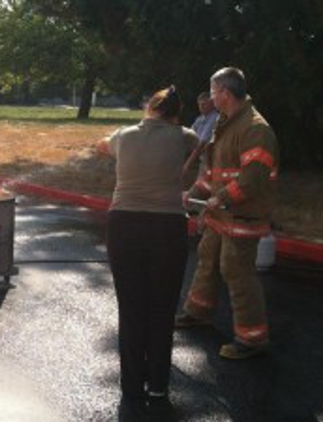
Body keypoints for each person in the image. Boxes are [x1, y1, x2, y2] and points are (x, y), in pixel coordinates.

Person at [98, 86, 198, 421]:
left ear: (149, 107)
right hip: (167, 229)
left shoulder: (123, 135)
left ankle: (131, 389)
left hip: (123, 224)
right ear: (175, 112)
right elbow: (198, 146)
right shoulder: (183, 136)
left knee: (131, 307)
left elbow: (102, 146)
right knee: (161, 308)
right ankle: (158, 388)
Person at [175, 67, 279, 360]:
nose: (209, 97)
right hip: (221, 215)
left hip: (243, 216)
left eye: (212, 91)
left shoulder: (255, 129)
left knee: (237, 272)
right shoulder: (225, 123)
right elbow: (213, 171)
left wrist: (218, 198)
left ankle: (252, 339)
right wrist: (194, 194)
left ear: (225, 93)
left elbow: (253, 178)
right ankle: (198, 313)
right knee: (207, 262)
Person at [182, 92, 218, 179]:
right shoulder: (200, 119)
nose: (201, 107)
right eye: (199, 104)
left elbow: (201, 145)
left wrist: (186, 165)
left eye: (204, 104)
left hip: (212, 161)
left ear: (212, 103)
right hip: (203, 159)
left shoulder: (214, 118)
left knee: (200, 187)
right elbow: (188, 136)